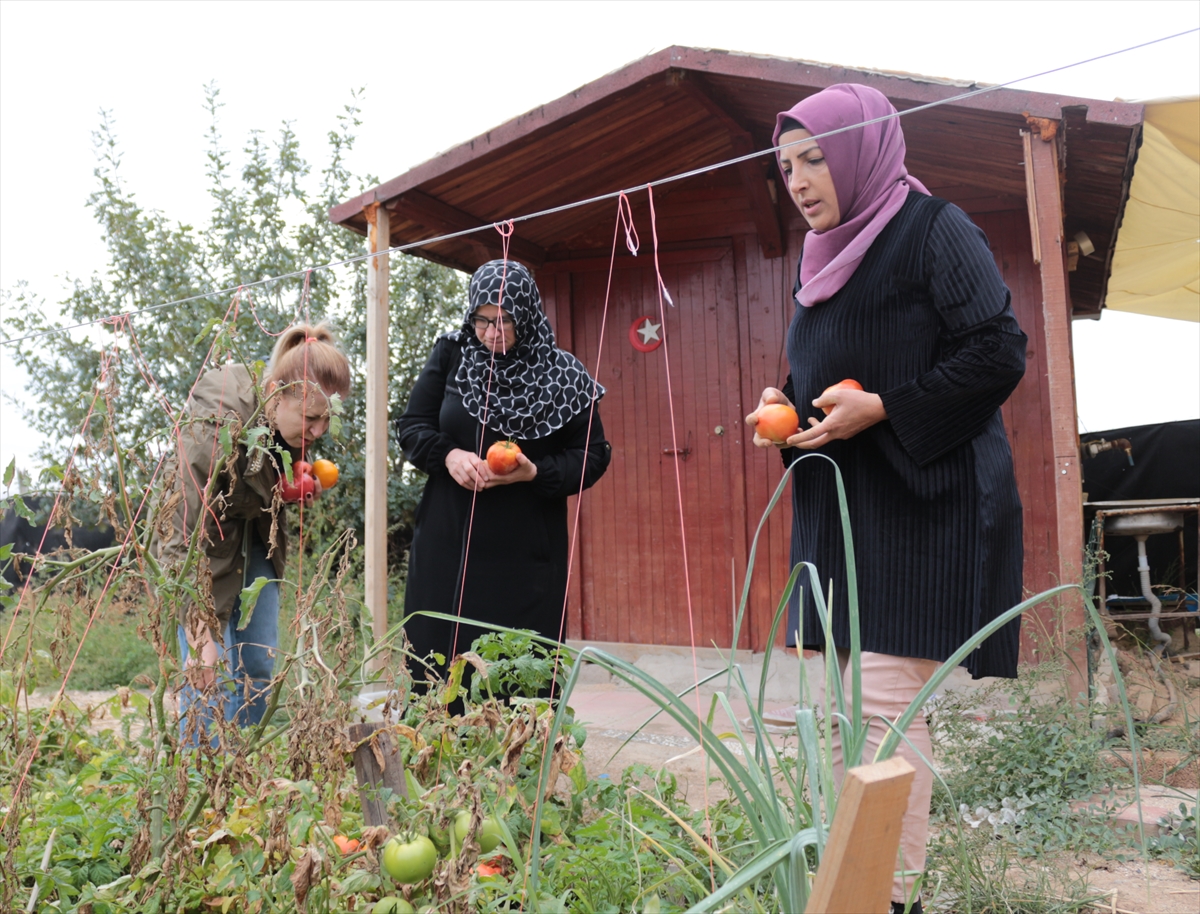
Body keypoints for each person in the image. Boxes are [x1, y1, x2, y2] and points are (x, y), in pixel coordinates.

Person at [744, 85, 1027, 913]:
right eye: (785, 165)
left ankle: (881, 898)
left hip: (923, 516)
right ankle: (860, 888)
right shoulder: (820, 261)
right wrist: (785, 412)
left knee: (883, 726)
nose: (797, 180)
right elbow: (818, 387)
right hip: (845, 524)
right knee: (847, 723)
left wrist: (888, 408)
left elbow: (999, 351)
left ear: (861, 151)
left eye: (814, 159)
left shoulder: (933, 231)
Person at [396, 259, 611, 691]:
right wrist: (450, 455)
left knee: (520, 676)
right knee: (437, 671)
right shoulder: (451, 353)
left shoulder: (564, 375)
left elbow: (593, 455)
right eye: (483, 319)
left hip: (526, 555)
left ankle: (519, 756)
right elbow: (411, 426)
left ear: (527, 314)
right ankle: (434, 756)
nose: (492, 331)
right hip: (449, 546)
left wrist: (535, 472)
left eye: (505, 321)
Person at [156, 323, 351, 745]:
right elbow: (180, 535)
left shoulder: (286, 419)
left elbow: (262, 469)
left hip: (255, 540)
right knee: (208, 670)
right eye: (311, 419)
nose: (318, 432)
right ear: (274, 393)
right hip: (203, 550)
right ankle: (199, 781)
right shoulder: (213, 432)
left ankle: (246, 776)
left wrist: (285, 484)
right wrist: (199, 633)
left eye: (326, 420)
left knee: (259, 666)